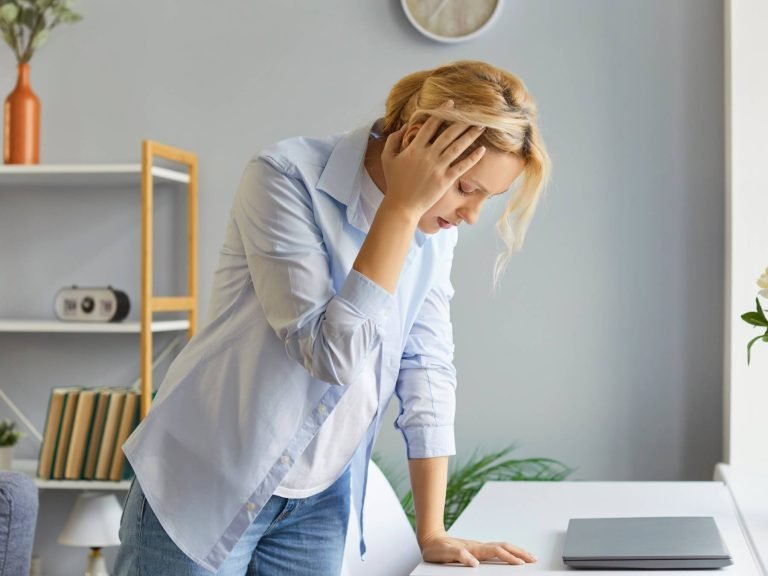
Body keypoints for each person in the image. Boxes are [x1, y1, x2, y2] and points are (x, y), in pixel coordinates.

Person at [114, 60, 551, 575]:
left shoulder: (436, 229)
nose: (471, 215)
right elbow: (328, 354)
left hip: (319, 500)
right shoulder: (284, 177)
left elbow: (427, 367)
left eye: (488, 197)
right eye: (466, 188)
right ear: (415, 141)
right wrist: (401, 210)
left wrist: (431, 530)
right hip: (206, 482)